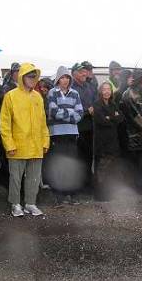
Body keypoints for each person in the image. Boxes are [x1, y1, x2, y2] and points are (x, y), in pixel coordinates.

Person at [0, 63, 50, 217]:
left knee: (34, 177)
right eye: (29, 76)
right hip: (17, 145)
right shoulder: (11, 96)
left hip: (36, 145)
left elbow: (43, 121)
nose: (32, 79)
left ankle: (30, 203)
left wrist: (45, 141)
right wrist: (9, 144)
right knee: (15, 178)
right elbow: (5, 123)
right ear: (22, 77)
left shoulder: (38, 97)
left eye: (34, 76)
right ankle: (15, 204)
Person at [46, 66, 83, 204]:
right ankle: (58, 195)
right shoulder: (52, 93)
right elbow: (54, 111)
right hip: (57, 134)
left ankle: (71, 194)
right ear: (58, 79)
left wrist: (65, 114)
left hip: (72, 133)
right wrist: (70, 114)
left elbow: (79, 114)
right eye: (62, 77)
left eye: (67, 77)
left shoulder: (75, 93)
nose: (65, 80)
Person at [120, 69, 142, 192]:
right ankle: (135, 187)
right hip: (132, 135)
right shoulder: (127, 95)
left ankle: (141, 186)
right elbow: (134, 116)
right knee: (133, 163)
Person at [93, 81, 124, 201]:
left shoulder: (113, 103)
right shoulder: (97, 104)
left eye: (108, 89)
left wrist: (109, 117)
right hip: (102, 142)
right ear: (100, 91)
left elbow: (121, 118)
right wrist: (113, 117)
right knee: (101, 169)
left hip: (113, 141)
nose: (106, 91)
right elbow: (102, 121)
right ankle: (100, 195)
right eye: (104, 89)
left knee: (112, 168)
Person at [71, 62, 97, 191]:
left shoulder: (90, 86)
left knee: (88, 156)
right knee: (78, 157)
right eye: (81, 72)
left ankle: (87, 182)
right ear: (74, 73)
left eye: (85, 71)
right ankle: (79, 184)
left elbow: (96, 101)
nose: (84, 73)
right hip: (78, 127)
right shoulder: (71, 88)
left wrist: (94, 108)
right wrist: (88, 110)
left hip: (91, 127)